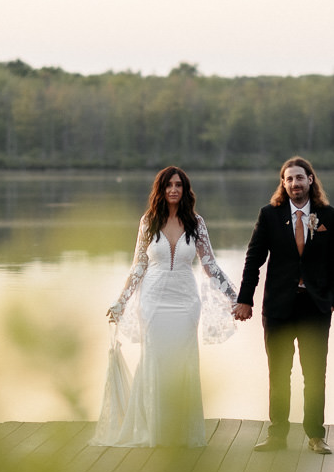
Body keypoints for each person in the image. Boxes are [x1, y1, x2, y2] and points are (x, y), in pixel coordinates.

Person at [94, 166, 239, 448]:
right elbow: (138, 266)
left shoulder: (196, 222)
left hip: (186, 301)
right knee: (155, 362)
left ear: (185, 190)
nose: (174, 189)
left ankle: (182, 430)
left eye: (179, 185)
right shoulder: (148, 221)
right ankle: (156, 430)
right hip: (153, 300)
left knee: (183, 363)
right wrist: (120, 301)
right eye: (169, 185)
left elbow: (209, 265)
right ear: (160, 190)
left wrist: (236, 297)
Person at [232, 156, 334, 454]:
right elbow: (253, 260)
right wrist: (245, 299)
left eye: (300, 177)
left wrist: (333, 299)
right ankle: (277, 434)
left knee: (314, 375)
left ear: (310, 180)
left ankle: (315, 435)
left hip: (315, 308)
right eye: (289, 179)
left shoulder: (329, 217)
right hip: (278, 309)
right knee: (279, 374)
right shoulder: (270, 215)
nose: (295, 183)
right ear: (283, 184)